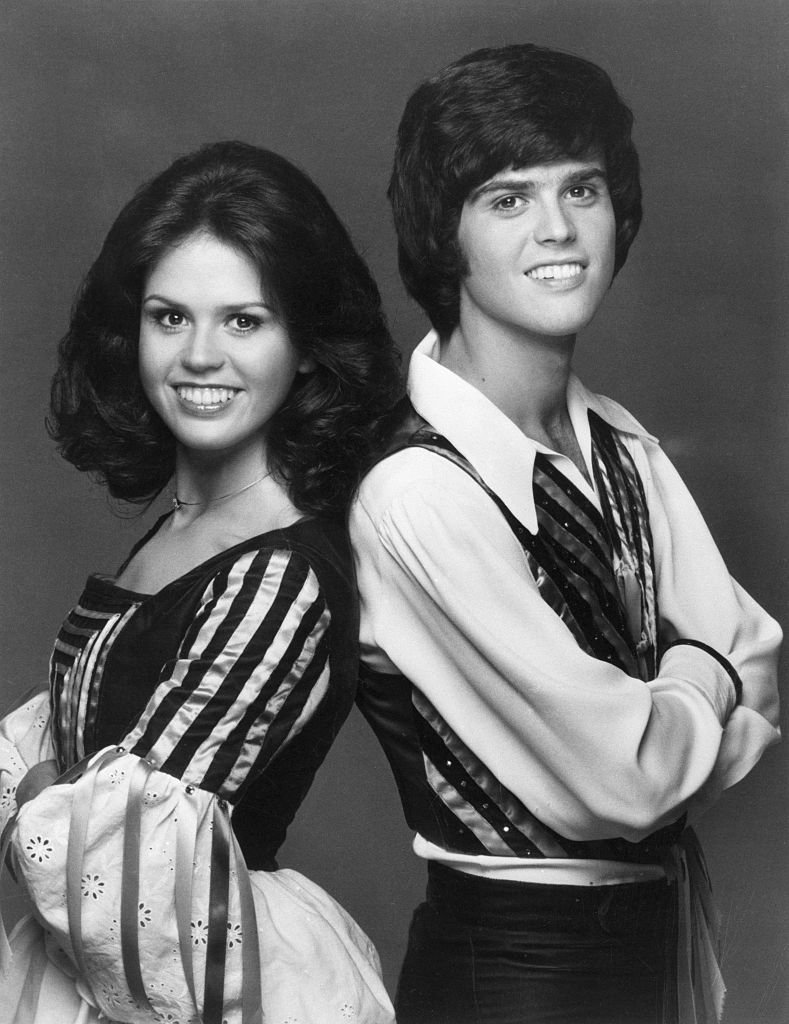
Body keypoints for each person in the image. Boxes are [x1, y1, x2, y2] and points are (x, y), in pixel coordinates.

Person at [349, 44, 782, 1024]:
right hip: (517, 972)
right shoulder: (415, 489)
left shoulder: (620, 443)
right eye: (508, 199)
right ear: (443, 233)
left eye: (580, 189)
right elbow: (627, 781)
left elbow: (758, 664)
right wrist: (693, 673)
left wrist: (683, 707)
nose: (559, 230)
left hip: (656, 946)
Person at [0, 140, 400, 1024]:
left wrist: (32, 795)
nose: (199, 355)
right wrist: (50, 796)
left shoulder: (282, 569)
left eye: (244, 321)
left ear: (306, 347)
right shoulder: (184, 529)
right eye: (169, 317)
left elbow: (128, 878)